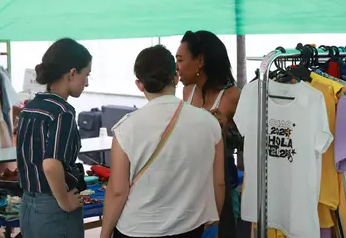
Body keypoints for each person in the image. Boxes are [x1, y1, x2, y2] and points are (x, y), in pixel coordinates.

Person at [100, 45, 225, 238]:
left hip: (137, 229)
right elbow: (218, 183)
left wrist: (105, 232)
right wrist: (212, 220)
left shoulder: (126, 128)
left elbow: (118, 191)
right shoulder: (209, 123)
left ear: (140, 84)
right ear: (176, 77)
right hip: (190, 227)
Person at [16, 38, 92, 238]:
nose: (87, 82)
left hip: (27, 207)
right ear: (72, 73)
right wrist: (65, 202)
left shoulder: (30, 108)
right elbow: (50, 165)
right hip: (53, 209)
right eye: (87, 74)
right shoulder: (63, 113)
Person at [176, 30, 242, 237]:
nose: (176, 67)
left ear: (200, 61)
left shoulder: (232, 95)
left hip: (218, 186)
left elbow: (249, 144)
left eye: (180, 59)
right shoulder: (187, 91)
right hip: (186, 184)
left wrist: (228, 129)